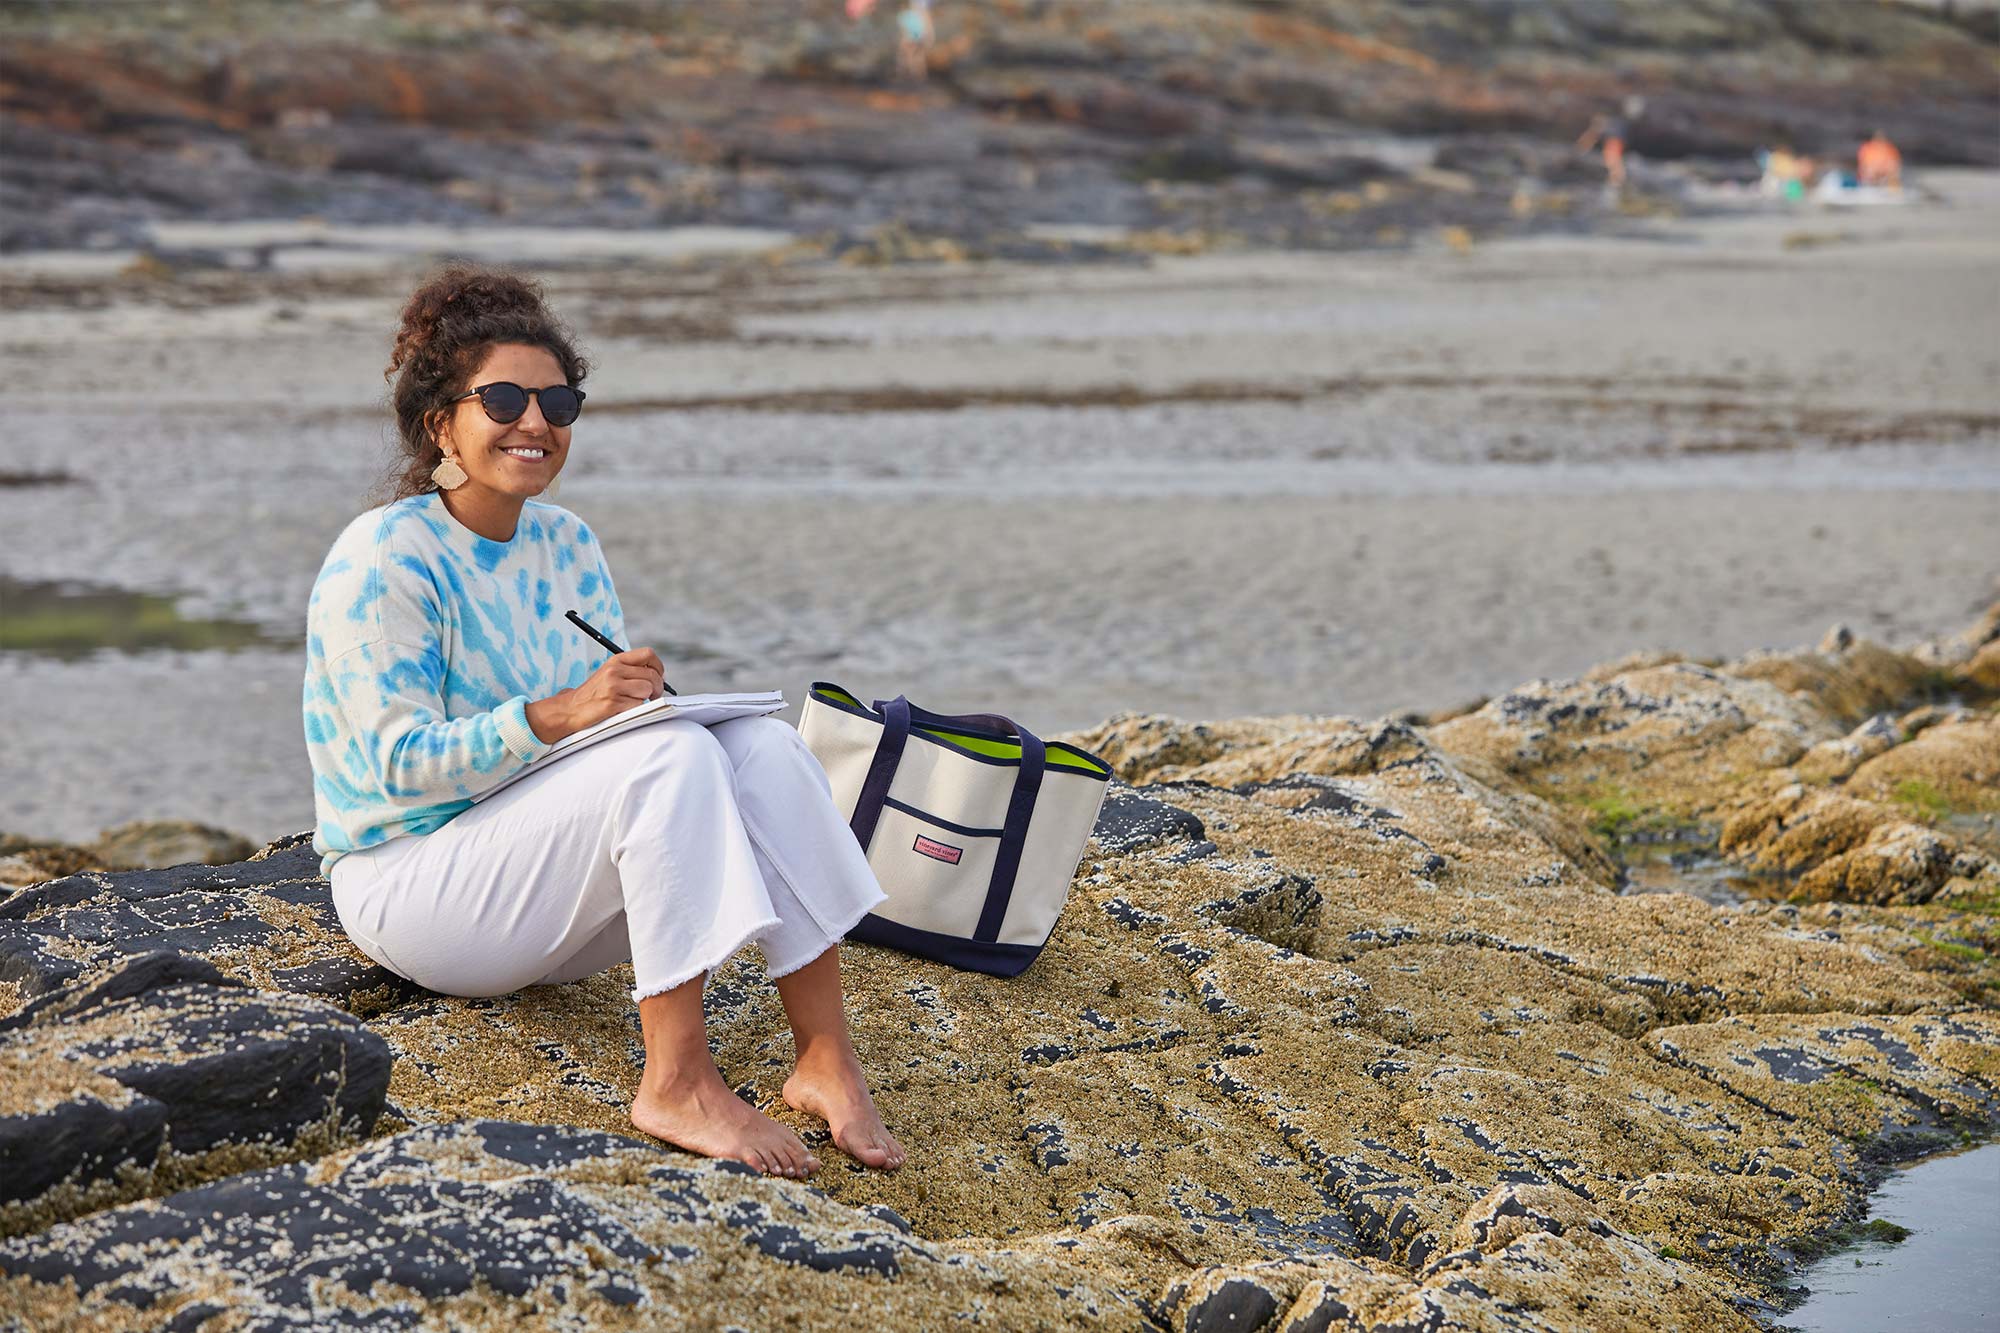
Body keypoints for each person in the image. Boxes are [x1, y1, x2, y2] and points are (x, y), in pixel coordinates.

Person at [303, 264, 905, 1179]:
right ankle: (676, 1080)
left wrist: (630, 701)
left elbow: (602, 747)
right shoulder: (384, 557)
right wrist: (562, 714)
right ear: (442, 425)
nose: (535, 422)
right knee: (667, 762)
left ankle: (825, 1057)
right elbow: (395, 766)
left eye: (558, 401)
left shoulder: (567, 542)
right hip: (412, 883)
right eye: (503, 398)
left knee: (759, 746)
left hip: (535, 879)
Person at [1575, 95, 1644, 190]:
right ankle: (1616, 180)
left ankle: (1617, 181)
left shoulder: (1607, 122)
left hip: (1615, 141)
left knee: (1613, 161)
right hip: (1616, 140)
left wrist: (1584, 145)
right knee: (1613, 160)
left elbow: (1593, 135)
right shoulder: (1616, 121)